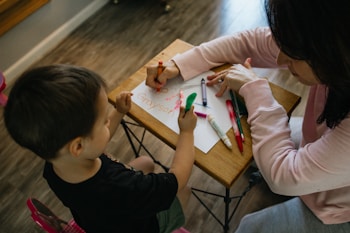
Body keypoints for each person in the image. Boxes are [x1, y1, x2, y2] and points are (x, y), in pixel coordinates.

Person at [145, 0, 350, 232]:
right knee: (255, 144)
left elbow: (284, 176)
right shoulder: (330, 45)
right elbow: (249, 42)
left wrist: (256, 90)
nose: (281, 60)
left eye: (293, 55)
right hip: (322, 147)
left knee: (249, 226)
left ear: (333, 51)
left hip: (339, 208)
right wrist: (179, 64)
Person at [4, 64, 197, 233]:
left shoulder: (54, 164)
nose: (108, 122)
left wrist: (119, 112)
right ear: (78, 146)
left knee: (145, 162)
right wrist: (187, 132)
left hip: (98, 223)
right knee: (185, 191)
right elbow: (177, 180)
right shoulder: (122, 188)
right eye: (104, 121)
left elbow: (94, 142)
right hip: (141, 226)